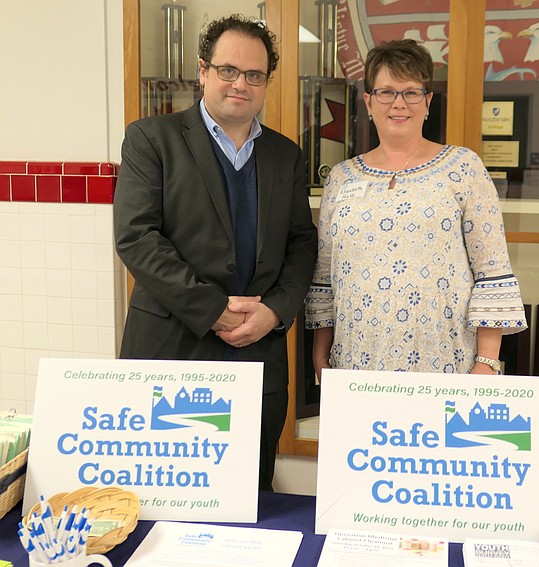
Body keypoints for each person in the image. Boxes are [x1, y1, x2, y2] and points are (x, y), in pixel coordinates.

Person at [113, 14, 317, 491]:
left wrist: (276, 312)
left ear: (266, 81)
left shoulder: (285, 155)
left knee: (250, 498)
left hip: (258, 355)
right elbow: (137, 238)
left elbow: (302, 243)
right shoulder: (151, 139)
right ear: (203, 70)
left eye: (254, 75)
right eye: (228, 70)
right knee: (162, 501)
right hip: (171, 354)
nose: (240, 84)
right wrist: (213, 311)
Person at [305, 39, 526, 377]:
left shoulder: (463, 168)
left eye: (411, 92)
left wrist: (487, 361)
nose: (399, 104)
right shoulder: (341, 178)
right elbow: (326, 275)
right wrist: (321, 352)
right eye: (386, 92)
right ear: (368, 101)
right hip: (356, 362)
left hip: (445, 364)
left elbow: (491, 270)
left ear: (427, 101)